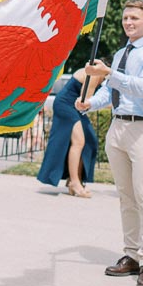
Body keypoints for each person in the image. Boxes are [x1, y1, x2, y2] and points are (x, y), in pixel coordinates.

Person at [77, 0, 143, 286]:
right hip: (119, 128)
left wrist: (108, 73)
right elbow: (110, 91)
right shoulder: (122, 53)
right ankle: (131, 254)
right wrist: (89, 104)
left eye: (134, 17)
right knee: (126, 198)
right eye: (125, 18)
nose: (128, 22)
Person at [37, 68, 98, 197]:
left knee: (89, 140)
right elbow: (85, 100)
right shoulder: (95, 74)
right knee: (79, 142)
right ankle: (75, 183)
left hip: (74, 106)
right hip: (67, 105)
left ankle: (76, 179)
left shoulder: (92, 71)